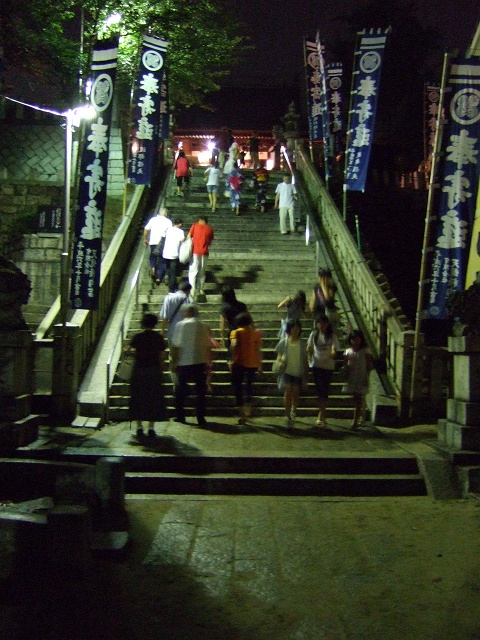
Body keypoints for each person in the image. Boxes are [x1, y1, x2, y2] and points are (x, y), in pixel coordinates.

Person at [125, 313, 167, 438]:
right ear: (155, 324)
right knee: (153, 398)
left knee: (138, 398)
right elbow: (162, 356)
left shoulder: (137, 336)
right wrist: (161, 370)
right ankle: (151, 427)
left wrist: (135, 355)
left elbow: (127, 350)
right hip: (153, 371)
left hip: (139, 370)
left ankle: (139, 426)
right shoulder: (158, 338)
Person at [170, 304, 213, 427]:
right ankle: (200, 417)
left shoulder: (180, 325)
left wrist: (174, 361)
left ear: (187, 313)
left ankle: (180, 415)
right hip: (200, 362)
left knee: (180, 390)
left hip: (184, 363)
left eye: (183, 312)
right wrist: (208, 362)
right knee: (200, 391)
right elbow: (208, 346)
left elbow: (176, 346)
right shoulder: (204, 326)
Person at [307, 314, 341, 428]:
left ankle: (322, 414)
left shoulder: (332, 335)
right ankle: (321, 413)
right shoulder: (314, 334)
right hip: (316, 365)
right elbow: (309, 347)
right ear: (316, 324)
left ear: (327, 324)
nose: (322, 325)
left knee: (325, 390)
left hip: (328, 366)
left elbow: (335, 348)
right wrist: (309, 352)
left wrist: (333, 353)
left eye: (324, 323)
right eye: (319, 323)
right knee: (319, 390)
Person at [275, 320, 308, 430]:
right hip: (287, 371)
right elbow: (278, 355)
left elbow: (305, 359)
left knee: (295, 391)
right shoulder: (284, 342)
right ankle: (287, 413)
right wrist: (280, 361)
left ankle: (294, 408)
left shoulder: (303, 344)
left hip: (298, 371)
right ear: (289, 330)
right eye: (293, 328)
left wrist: (306, 373)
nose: (295, 331)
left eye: (297, 329)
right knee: (288, 390)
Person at [230, 312, 263, 424]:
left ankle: (242, 413)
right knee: (248, 386)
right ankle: (248, 411)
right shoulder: (255, 333)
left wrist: (232, 359)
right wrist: (260, 364)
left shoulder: (236, 332)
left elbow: (234, 345)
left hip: (239, 362)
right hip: (252, 363)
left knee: (238, 387)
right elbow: (258, 350)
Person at [343, 329, 373, 429]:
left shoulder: (365, 350)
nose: (355, 341)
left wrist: (366, 377)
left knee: (358, 399)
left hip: (361, 376)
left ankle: (356, 420)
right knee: (356, 398)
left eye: (357, 339)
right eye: (353, 339)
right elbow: (345, 365)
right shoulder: (348, 351)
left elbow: (368, 365)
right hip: (352, 377)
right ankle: (359, 417)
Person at [187, 215, 214, 301]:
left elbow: (188, 236)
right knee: (202, 271)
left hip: (195, 252)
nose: (198, 221)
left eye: (199, 220)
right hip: (204, 252)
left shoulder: (194, 226)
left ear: (202, 220)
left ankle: (192, 289)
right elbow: (210, 241)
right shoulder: (210, 229)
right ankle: (201, 289)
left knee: (193, 271)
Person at [143, 207, 172, 285]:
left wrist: (145, 239)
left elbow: (146, 229)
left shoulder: (153, 220)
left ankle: (153, 267)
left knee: (153, 256)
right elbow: (170, 232)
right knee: (162, 260)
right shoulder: (168, 221)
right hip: (163, 243)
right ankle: (159, 277)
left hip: (153, 242)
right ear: (165, 213)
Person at [159, 279, 193, 344]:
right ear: (188, 290)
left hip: (172, 330)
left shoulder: (168, 298)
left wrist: (162, 331)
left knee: (173, 353)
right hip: (186, 332)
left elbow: (165, 317)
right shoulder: (190, 300)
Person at [219, 286, 248, 354]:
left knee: (233, 353)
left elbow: (222, 323)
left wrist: (222, 337)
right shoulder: (242, 305)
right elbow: (249, 318)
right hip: (245, 331)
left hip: (233, 332)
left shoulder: (224, 308)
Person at [162, 218, 185, 292]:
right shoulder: (180, 231)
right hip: (174, 253)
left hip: (166, 253)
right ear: (180, 224)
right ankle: (171, 288)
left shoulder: (168, 229)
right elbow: (182, 240)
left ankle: (166, 275)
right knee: (173, 271)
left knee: (168, 266)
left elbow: (163, 236)